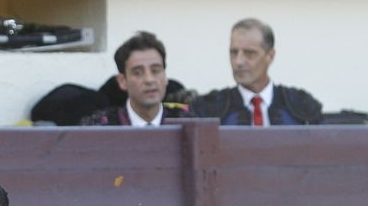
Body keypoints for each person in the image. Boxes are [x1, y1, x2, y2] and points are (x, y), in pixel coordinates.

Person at [192, 18, 323, 126]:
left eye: (249, 53)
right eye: (234, 52)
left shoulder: (301, 105)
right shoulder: (207, 108)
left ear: (270, 56)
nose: (238, 61)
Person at [80, 31, 190, 126]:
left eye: (155, 71)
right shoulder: (98, 126)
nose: (149, 80)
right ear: (122, 81)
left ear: (165, 76)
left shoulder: (188, 122)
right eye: (138, 73)